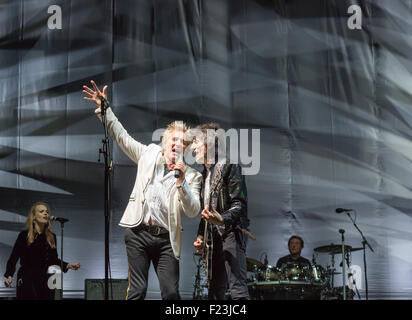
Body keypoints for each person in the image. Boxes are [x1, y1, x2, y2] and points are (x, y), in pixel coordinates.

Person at [82, 80, 202, 300]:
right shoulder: (148, 154)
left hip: (167, 239)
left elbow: (193, 211)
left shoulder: (193, 176)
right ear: (164, 142)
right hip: (138, 233)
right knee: (137, 291)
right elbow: (122, 137)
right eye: (173, 139)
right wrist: (104, 109)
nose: (176, 144)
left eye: (181, 142)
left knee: (171, 292)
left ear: (185, 149)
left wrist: (182, 181)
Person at [191, 122, 250, 300]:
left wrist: (222, 219)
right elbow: (206, 213)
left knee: (237, 290)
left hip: (231, 234)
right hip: (213, 239)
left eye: (195, 141)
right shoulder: (205, 174)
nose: (192, 147)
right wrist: (201, 236)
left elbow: (239, 204)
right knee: (215, 292)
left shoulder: (230, 167)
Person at [3, 202, 80, 300]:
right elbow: (14, 257)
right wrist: (9, 275)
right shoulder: (24, 235)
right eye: (41, 211)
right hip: (27, 278)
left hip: (45, 279)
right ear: (34, 216)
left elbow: (53, 260)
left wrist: (67, 265)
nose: (46, 214)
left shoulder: (51, 237)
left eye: (47, 212)